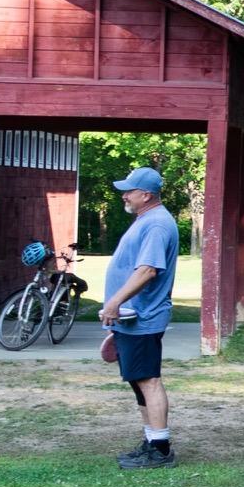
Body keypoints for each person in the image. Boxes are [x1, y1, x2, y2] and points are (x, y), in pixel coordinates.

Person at [100, 167, 183, 469]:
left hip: (143, 317)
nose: (124, 195)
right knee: (138, 380)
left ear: (145, 195)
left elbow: (148, 270)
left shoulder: (157, 224)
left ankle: (160, 450)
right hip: (131, 318)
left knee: (148, 380)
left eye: (130, 190)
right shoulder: (147, 220)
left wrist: (115, 301)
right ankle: (151, 441)